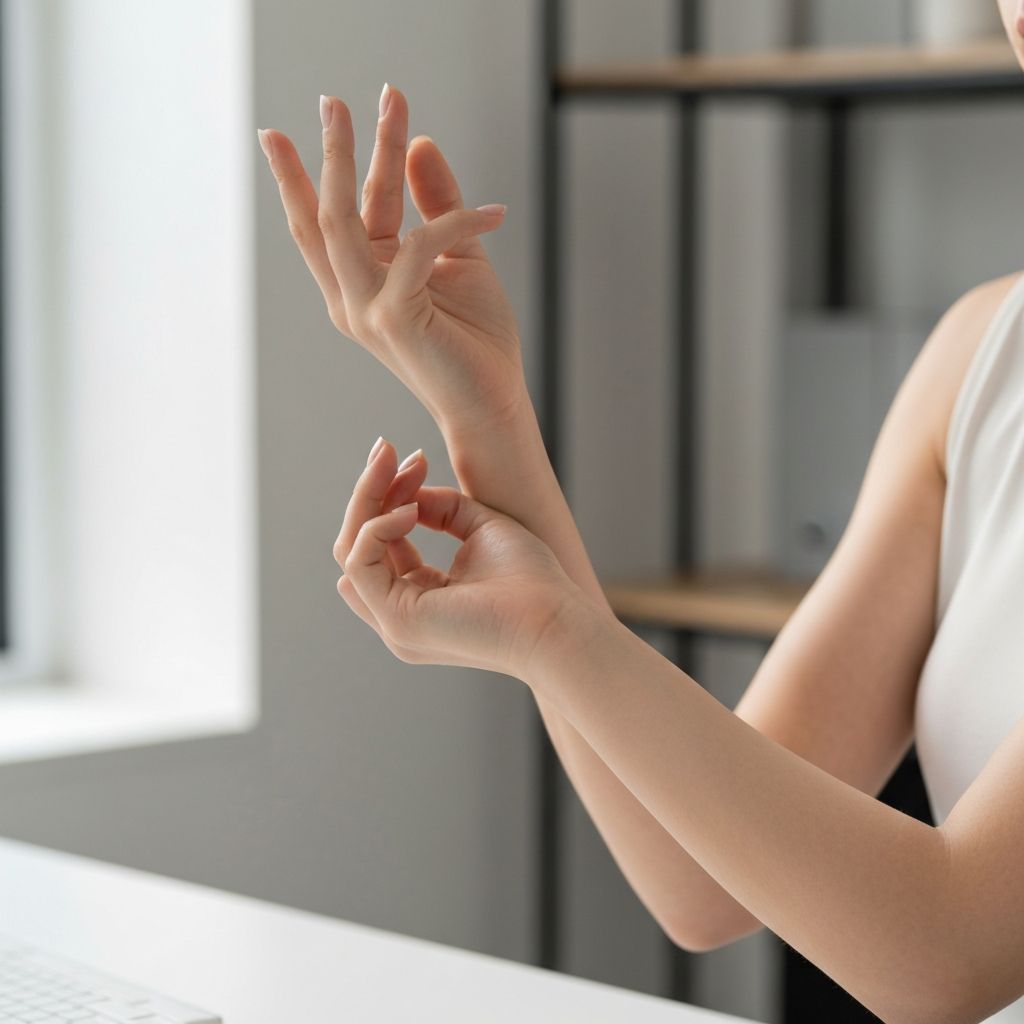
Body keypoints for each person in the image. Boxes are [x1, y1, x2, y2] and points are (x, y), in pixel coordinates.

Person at [255, 2, 1024, 1018]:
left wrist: (559, 637)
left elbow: (949, 952)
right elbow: (700, 882)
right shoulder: (982, 355)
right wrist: (485, 414)